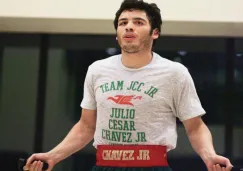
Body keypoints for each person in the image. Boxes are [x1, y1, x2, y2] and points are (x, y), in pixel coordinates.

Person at [24, 0, 233, 171]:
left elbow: (195, 127)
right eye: (123, 22)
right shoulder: (97, 70)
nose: (129, 26)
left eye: (138, 22)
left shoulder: (174, 73)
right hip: (104, 164)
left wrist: (210, 156)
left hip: (153, 165)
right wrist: (52, 156)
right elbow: (86, 126)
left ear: (155, 33)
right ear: (117, 34)